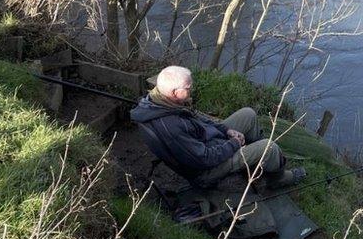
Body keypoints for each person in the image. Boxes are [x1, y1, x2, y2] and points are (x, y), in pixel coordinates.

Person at [130, 65, 305, 189]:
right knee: (269, 147)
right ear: (175, 92)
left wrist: (226, 130)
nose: (191, 90)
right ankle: (278, 179)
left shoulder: (161, 101)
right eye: (188, 88)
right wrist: (234, 144)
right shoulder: (171, 127)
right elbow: (204, 159)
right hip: (205, 172)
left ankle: (256, 163)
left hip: (208, 143)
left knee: (248, 114)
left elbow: (198, 118)